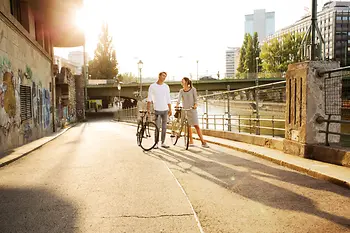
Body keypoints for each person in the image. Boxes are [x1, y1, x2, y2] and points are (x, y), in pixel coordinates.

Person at [176, 77, 209, 148]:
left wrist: (195, 105)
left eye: (183, 80)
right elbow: (178, 99)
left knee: (196, 125)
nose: (181, 81)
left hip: (192, 110)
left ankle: (203, 142)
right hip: (184, 110)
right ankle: (191, 141)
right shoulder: (181, 91)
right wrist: (177, 104)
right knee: (188, 126)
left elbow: (196, 100)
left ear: (186, 82)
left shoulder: (193, 89)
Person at [147, 72, 172, 149]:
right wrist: (148, 109)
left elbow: (168, 98)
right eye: (163, 76)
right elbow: (149, 99)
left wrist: (170, 109)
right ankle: (156, 143)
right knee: (157, 127)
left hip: (165, 110)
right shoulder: (152, 86)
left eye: (165, 76)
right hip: (157, 109)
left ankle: (163, 142)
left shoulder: (166, 86)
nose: (164, 77)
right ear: (159, 76)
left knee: (164, 128)